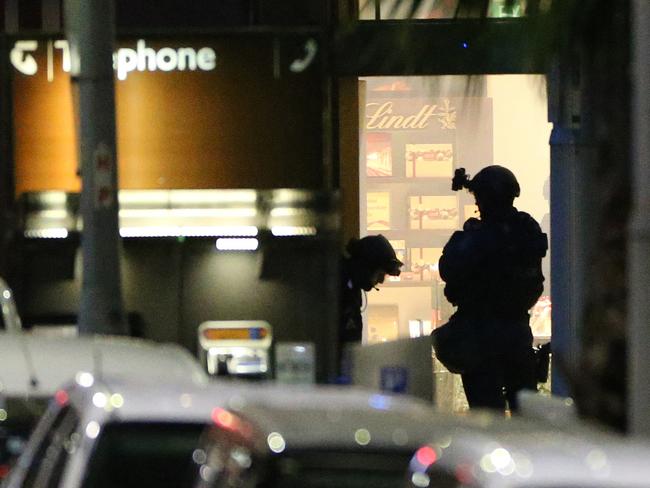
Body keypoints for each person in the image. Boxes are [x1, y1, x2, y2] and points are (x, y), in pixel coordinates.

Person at [438, 165, 548, 412]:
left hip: (480, 338)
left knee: (487, 416)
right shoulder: (526, 231)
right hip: (516, 333)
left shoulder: (477, 237)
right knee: (524, 414)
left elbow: (449, 268)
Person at [337, 234, 402, 379]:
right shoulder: (339, 286)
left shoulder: (350, 287)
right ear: (368, 267)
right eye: (380, 274)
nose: (379, 281)